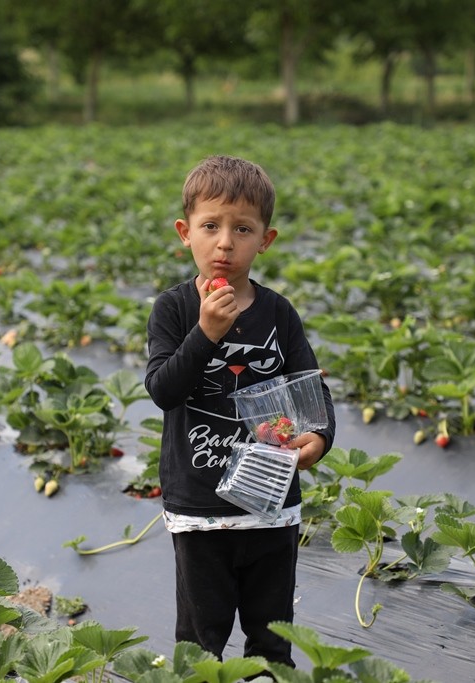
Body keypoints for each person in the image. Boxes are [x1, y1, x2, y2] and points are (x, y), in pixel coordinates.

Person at [145, 154, 336, 666]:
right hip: (199, 509)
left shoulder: (278, 313)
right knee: (201, 639)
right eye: (211, 226)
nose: (225, 242)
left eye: (243, 228)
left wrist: (316, 441)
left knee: (274, 639)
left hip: (271, 506)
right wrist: (206, 332)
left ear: (264, 240)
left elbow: (313, 392)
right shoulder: (174, 310)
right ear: (186, 233)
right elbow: (164, 390)